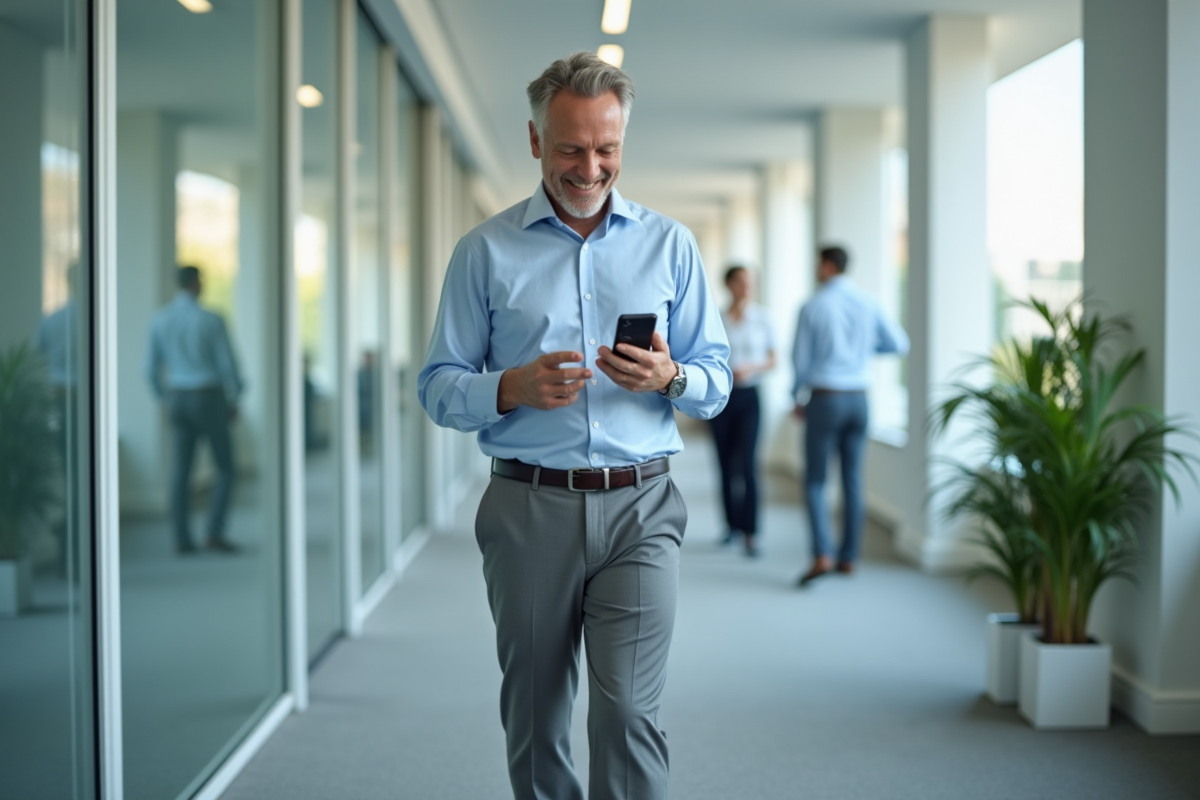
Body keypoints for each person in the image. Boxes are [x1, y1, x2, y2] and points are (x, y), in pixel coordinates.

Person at [418, 52, 730, 800]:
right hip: (529, 507)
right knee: (537, 715)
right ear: (535, 141)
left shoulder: (671, 246)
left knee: (628, 714)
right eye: (570, 149)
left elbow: (715, 381)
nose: (590, 168)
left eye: (607, 149)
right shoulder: (484, 252)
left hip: (642, 507)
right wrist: (510, 387)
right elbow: (437, 387)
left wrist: (671, 377)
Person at [792, 246, 908, 586]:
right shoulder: (869, 302)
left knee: (815, 480)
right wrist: (864, 349)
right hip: (859, 399)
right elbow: (899, 344)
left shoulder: (813, 305)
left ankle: (822, 554)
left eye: (818, 264)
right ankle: (848, 558)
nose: (816, 269)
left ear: (828, 266)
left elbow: (800, 359)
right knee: (853, 479)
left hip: (825, 397)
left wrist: (796, 396)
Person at [145, 266, 244, 555]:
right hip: (208, 397)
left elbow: (149, 368)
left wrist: (164, 398)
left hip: (177, 397)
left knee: (180, 472)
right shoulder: (211, 319)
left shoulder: (160, 319)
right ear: (195, 282)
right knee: (225, 468)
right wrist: (234, 397)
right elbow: (227, 364)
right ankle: (214, 532)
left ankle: (181, 538)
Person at [710, 265, 775, 557]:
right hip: (721, 397)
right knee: (724, 462)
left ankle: (751, 532)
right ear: (729, 284)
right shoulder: (717, 318)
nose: (747, 287)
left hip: (749, 396)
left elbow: (773, 359)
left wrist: (751, 368)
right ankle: (731, 526)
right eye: (740, 281)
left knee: (747, 463)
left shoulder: (763, 318)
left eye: (750, 282)